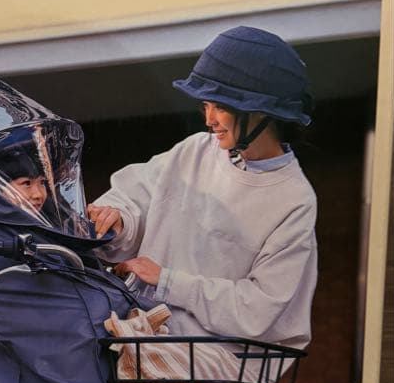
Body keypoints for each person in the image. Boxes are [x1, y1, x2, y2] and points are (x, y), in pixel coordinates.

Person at [88, 25, 317, 351]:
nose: (209, 120)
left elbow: (258, 308)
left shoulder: (293, 200)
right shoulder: (194, 150)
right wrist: (117, 219)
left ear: (262, 112)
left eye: (220, 107)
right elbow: (134, 198)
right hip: (141, 336)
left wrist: (167, 280)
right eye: (205, 105)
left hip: (212, 364)